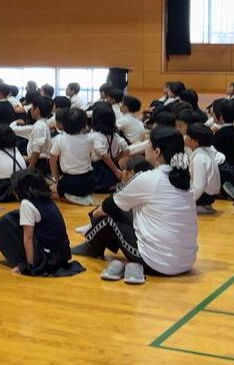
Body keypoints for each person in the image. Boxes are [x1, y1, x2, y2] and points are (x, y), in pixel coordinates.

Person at [73, 127, 198, 284]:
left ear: (157, 152)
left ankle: (92, 246)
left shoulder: (149, 178)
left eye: (148, 144)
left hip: (157, 264)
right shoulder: (184, 180)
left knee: (108, 216)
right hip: (187, 261)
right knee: (123, 211)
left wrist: (93, 218)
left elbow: (108, 206)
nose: (146, 147)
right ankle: (93, 243)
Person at [0, 170, 77, 276]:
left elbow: (28, 238)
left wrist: (29, 267)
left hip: (47, 259)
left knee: (5, 223)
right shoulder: (46, 199)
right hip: (61, 255)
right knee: (14, 215)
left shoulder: (27, 204)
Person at [49, 107, 98, 206]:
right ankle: (79, 196)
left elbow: (52, 162)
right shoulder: (90, 139)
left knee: (50, 191)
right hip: (90, 181)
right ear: (84, 125)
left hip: (71, 182)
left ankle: (68, 196)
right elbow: (92, 157)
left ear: (63, 123)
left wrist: (57, 180)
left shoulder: (60, 139)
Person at [186, 123, 222, 214]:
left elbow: (198, 187)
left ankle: (199, 207)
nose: (185, 138)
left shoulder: (199, 158)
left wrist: (187, 202)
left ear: (195, 141)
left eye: (188, 136)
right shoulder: (207, 152)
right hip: (208, 196)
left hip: (203, 196)